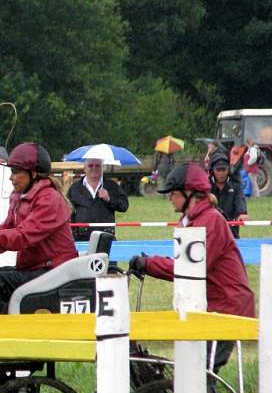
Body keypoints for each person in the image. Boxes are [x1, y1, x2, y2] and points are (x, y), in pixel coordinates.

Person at [129, 163, 255, 374]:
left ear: (190, 194)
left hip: (227, 309)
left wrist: (149, 264)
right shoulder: (191, 222)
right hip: (211, 307)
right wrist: (150, 262)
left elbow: (190, 268)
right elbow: (183, 263)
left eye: (173, 193)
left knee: (199, 373)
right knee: (195, 371)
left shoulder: (211, 221)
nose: (170, 198)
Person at [0, 142, 78, 315]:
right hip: (33, 269)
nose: (11, 178)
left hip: (55, 272)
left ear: (33, 173)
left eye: (16, 172)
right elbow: (2, 239)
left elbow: (22, 237)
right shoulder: (19, 197)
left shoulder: (49, 200)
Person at [68, 158, 129, 242]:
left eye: (97, 166)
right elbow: (68, 211)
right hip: (81, 237)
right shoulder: (74, 188)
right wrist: (73, 232)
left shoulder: (111, 185)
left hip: (106, 236)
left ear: (102, 168)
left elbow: (124, 206)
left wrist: (109, 198)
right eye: (90, 166)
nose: (94, 168)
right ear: (85, 168)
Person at [208, 152, 248, 239]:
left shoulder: (236, 186)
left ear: (229, 170)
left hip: (231, 233)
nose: (221, 173)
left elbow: (240, 200)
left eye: (224, 169)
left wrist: (242, 213)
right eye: (218, 170)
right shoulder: (206, 187)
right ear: (212, 170)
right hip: (211, 232)